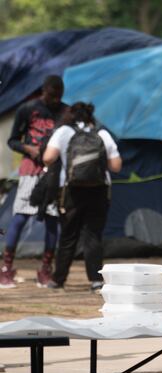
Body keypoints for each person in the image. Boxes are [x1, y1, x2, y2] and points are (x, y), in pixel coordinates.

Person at [42, 102, 122, 291]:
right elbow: (116, 166)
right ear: (90, 116)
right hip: (99, 190)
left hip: (70, 190)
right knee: (93, 235)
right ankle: (96, 280)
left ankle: (58, 280)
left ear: (70, 115)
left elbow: (48, 158)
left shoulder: (63, 132)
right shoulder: (102, 134)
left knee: (68, 235)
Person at [2, 75, 66, 288]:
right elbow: (12, 140)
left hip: (54, 173)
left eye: (58, 96)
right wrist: (28, 148)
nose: (55, 100)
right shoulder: (28, 109)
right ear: (43, 91)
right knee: (20, 216)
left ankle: (45, 270)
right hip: (30, 170)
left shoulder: (65, 112)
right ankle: (6, 267)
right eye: (51, 96)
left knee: (51, 219)